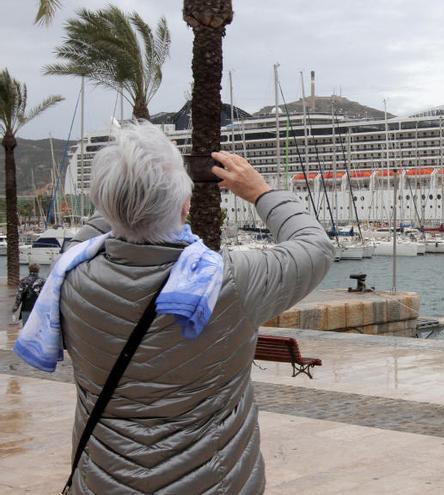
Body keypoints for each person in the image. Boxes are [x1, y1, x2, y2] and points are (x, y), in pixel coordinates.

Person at [15, 122, 333, 494]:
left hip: (103, 481)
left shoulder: (70, 277)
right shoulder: (231, 281)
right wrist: (260, 191)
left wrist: (134, 181)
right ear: (185, 205)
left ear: (104, 201)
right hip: (216, 483)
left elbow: (88, 233)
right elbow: (314, 246)